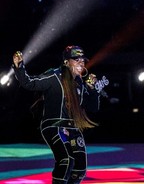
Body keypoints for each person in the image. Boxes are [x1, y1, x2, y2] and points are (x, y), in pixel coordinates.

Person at [12, 45, 102, 184]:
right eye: (76, 59)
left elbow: (93, 107)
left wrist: (93, 90)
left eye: (82, 60)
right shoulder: (54, 76)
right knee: (66, 160)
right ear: (66, 61)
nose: (81, 63)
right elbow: (30, 83)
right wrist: (19, 67)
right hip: (54, 126)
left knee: (80, 168)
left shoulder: (79, 84)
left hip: (73, 128)